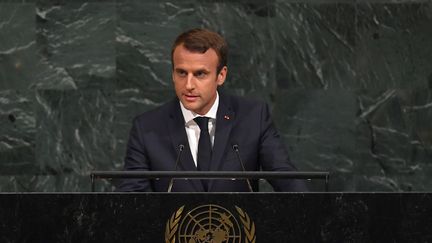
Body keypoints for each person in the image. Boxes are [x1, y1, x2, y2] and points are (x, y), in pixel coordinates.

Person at [117, 28, 307, 192]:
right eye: (181, 73)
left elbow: (287, 180)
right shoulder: (147, 128)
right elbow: (131, 199)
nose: (189, 85)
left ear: (221, 75)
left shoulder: (253, 117)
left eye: (200, 74)